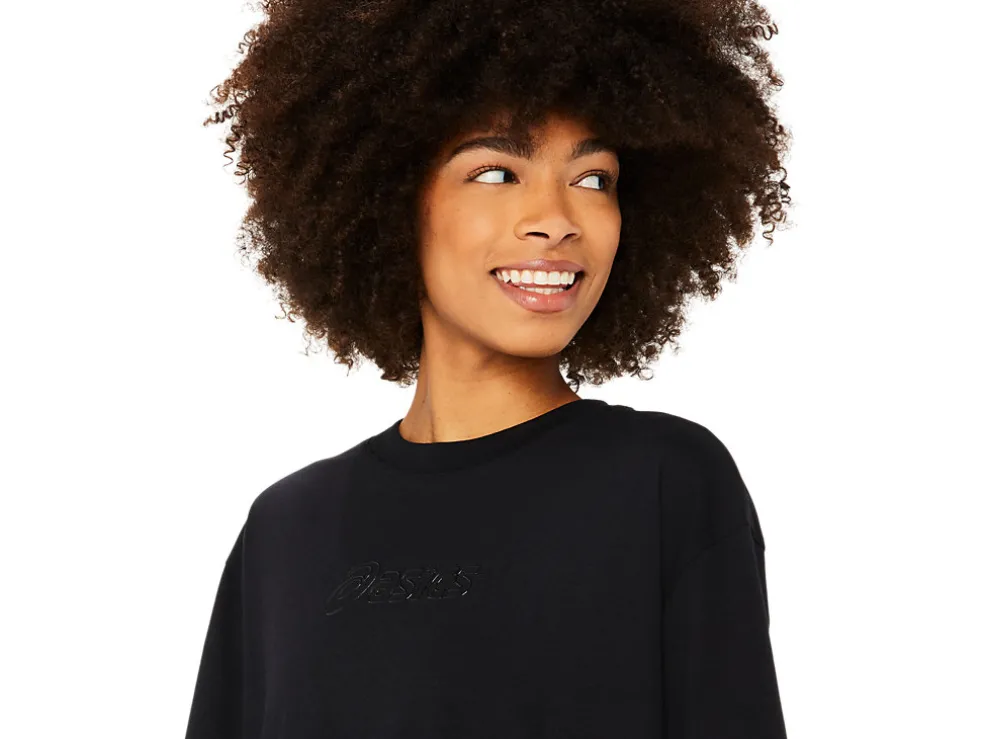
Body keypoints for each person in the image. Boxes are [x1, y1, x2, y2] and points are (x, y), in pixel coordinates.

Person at [186, 0, 793, 737]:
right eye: (498, 172)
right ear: (391, 198)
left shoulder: (665, 484)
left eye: (593, 179)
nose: (556, 219)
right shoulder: (285, 531)